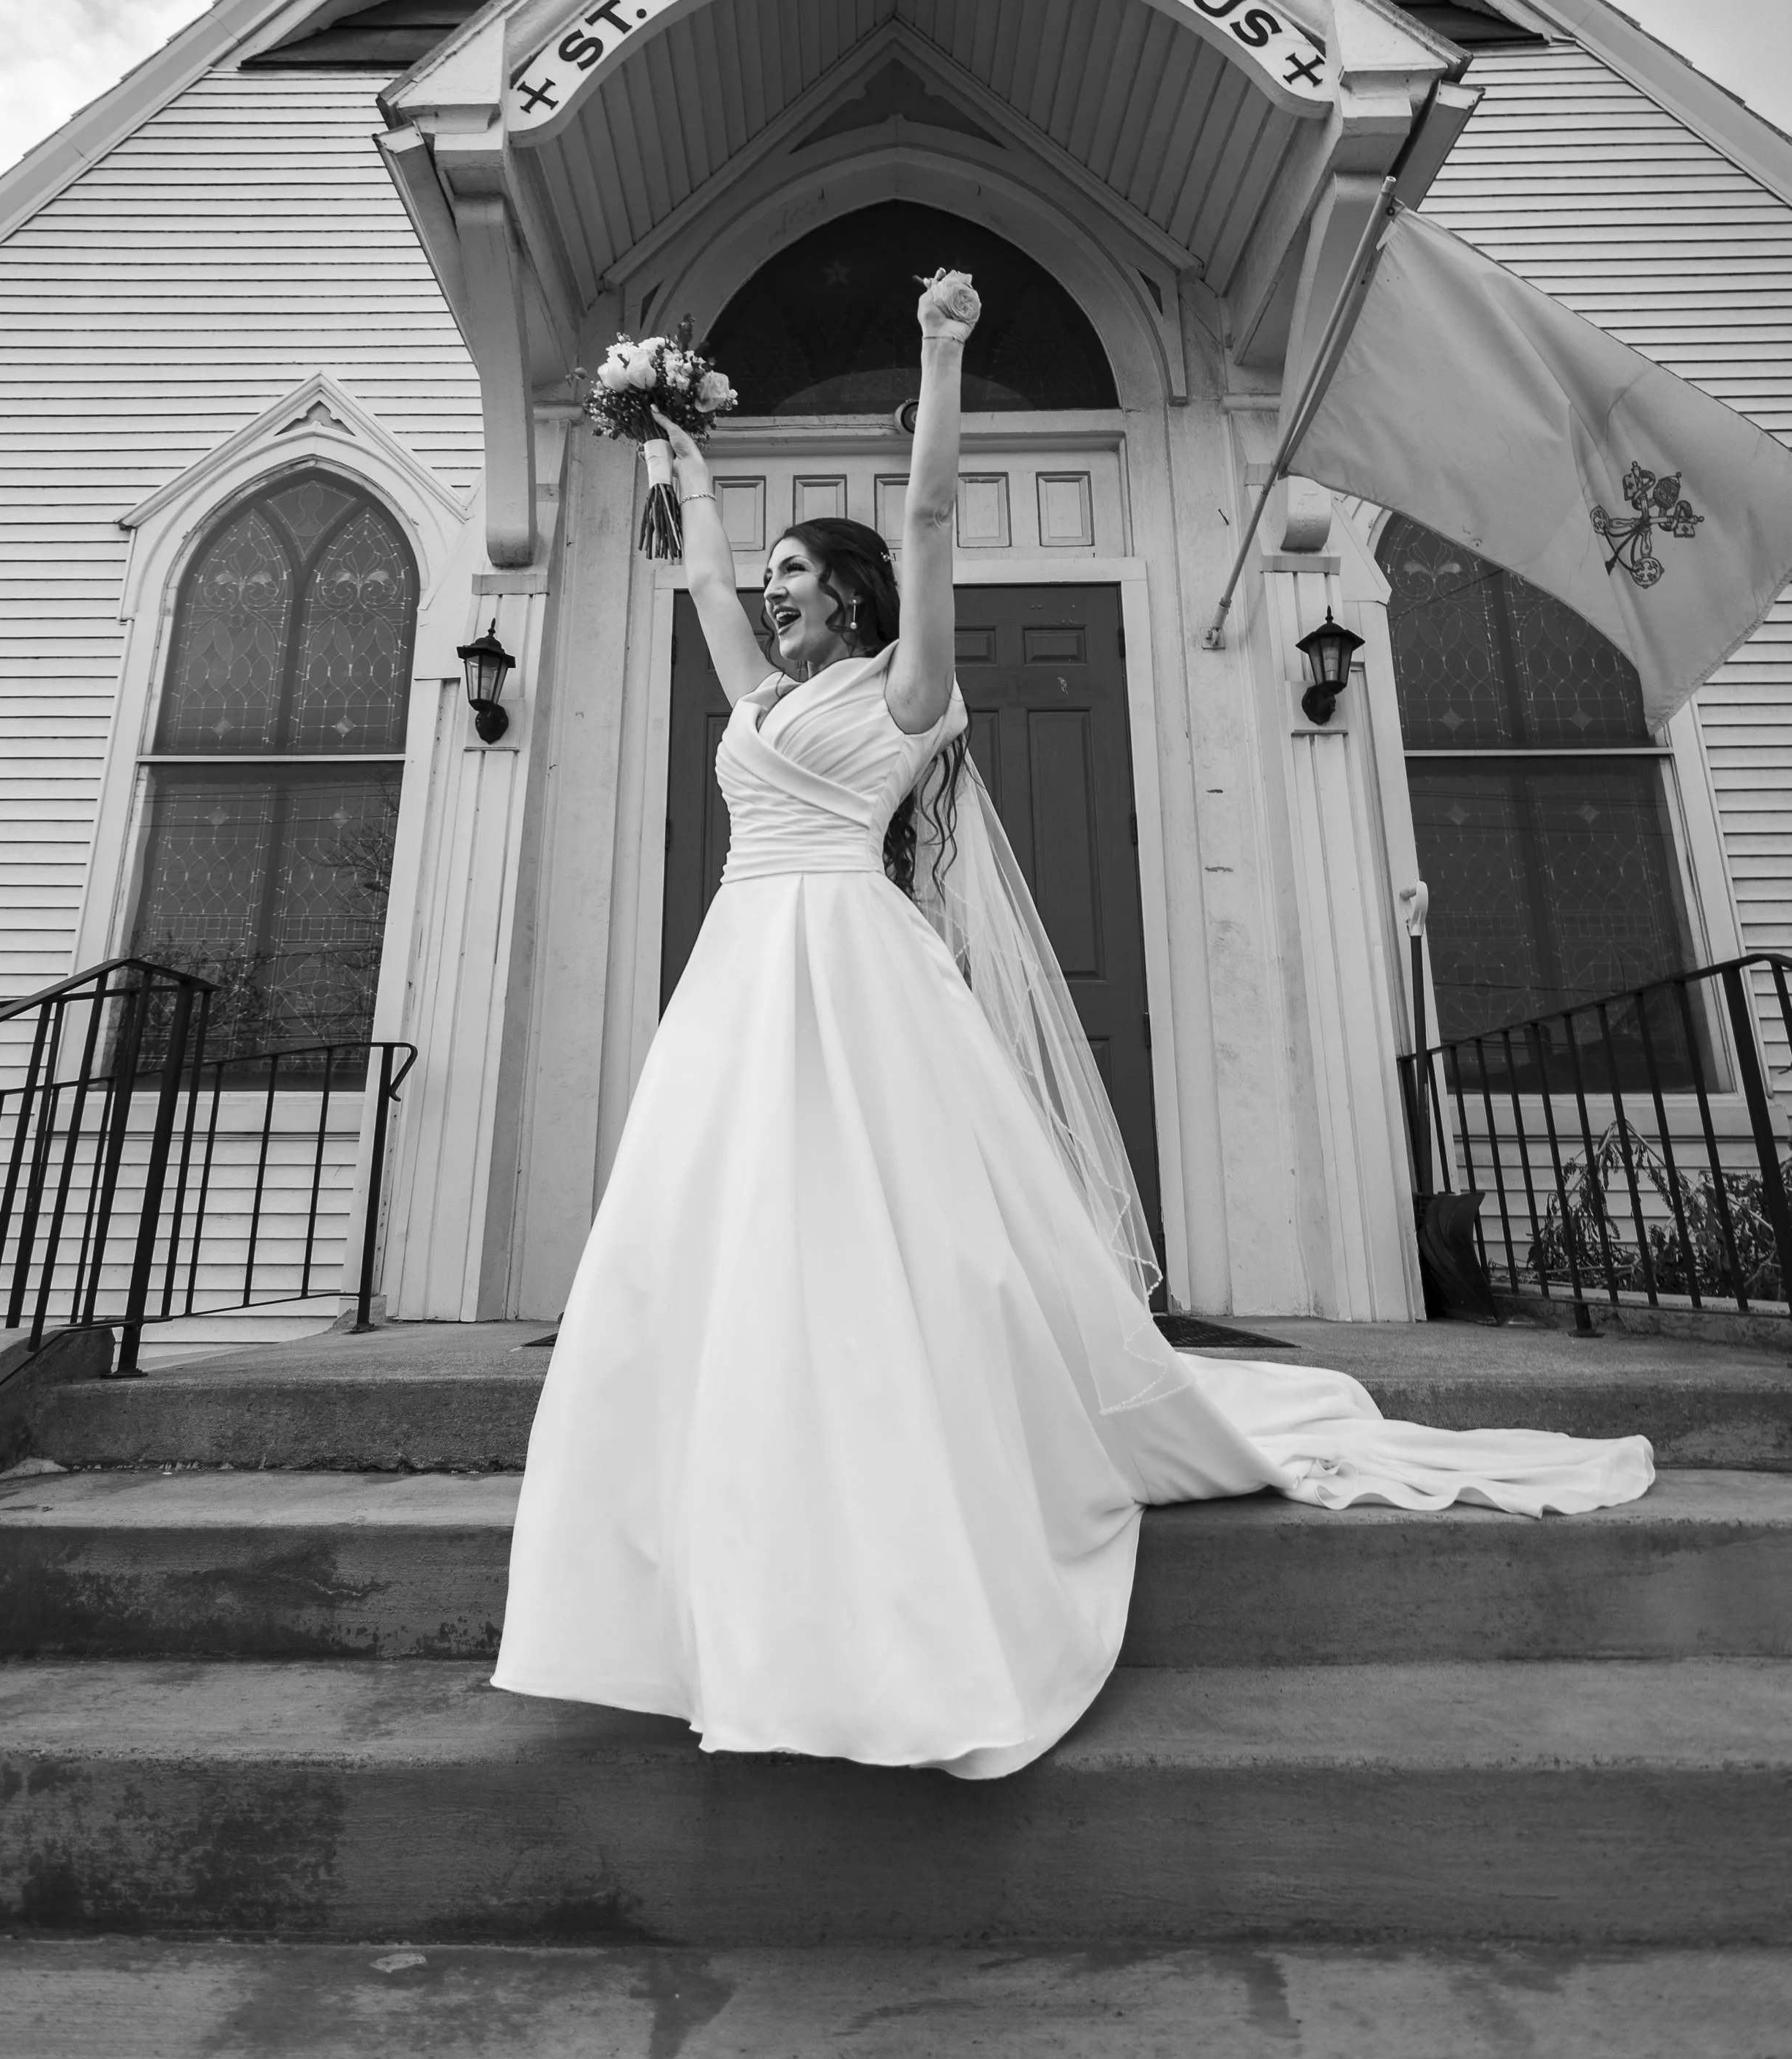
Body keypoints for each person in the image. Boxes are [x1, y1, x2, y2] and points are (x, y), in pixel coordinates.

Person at [493, 272, 1652, 1779]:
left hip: (846, 951)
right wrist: (674, 450)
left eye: (794, 574)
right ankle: (716, 1504)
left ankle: (904, 1495)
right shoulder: (750, 697)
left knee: (878, 1221)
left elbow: (923, 524)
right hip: (739, 964)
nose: (769, 591)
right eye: (769, 574)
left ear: (843, 594)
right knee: (717, 1221)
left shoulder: (908, 689)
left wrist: (937, 355)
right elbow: (699, 586)